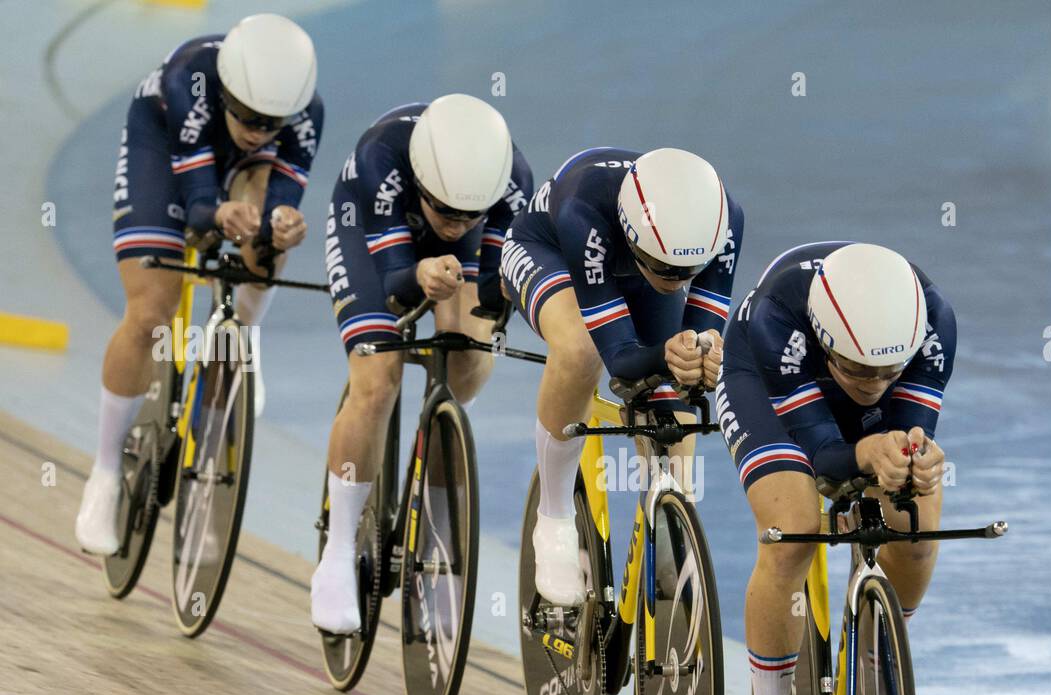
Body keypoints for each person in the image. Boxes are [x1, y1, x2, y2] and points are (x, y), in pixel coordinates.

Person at [715, 242, 955, 695]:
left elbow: (909, 435)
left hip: (840, 385)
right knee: (793, 530)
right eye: (858, 369)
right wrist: (867, 454)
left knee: (915, 524)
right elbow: (825, 459)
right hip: (767, 384)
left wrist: (911, 460)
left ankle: (876, 659)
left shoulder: (936, 325)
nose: (873, 383)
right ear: (826, 342)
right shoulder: (778, 319)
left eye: (888, 371)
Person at [75, 14, 323, 555]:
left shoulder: (305, 116)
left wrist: (282, 224)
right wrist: (215, 215)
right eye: (249, 117)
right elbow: (197, 206)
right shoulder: (189, 75)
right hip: (162, 147)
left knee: (266, 233)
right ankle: (104, 472)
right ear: (229, 92)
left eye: (271, 123)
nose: (259, 130)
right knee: (149, 315)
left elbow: (282, 202)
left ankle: (244, 335)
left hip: (241, 172)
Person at [310, 94, 533, 633]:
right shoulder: (380, 157)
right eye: (446, 212)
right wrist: (419, 276)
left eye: (468, 215)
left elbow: (495, 293)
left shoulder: (513, 181)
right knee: (377, 381)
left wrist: (488, 316)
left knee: (464, 365)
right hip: (372, 238)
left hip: (458, 260)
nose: (456, 224)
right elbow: (392, 283)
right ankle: (337, 553)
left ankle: (434, 516)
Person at [499, 147, 743, 605]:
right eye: (668, 269)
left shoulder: (726, 220)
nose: (677, 279)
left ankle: (671, 523)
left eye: (687, 273)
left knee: (675, 409)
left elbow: (699, 339)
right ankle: (553, 518)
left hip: (634, 263)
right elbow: (623, 361)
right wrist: (665, 356)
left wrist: (702, 358)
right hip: (551, 249)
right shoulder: (582, 211)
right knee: (579, 349)